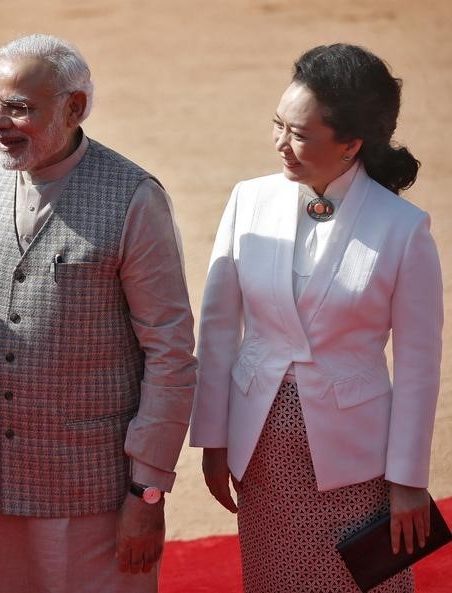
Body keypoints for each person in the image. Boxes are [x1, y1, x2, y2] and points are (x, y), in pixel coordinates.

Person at [0, 33, 197, 592]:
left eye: (20, 108)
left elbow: (170, 354)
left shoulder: (134, 197)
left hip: (91, 496)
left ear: (74, 107)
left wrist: (147, 492)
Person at [189, 43, 443, 592]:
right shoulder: (248, 200)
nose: (281, 144)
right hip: (260, 449)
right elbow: (217, 331)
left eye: (300, 134)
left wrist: (408, 480)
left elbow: (419, 365)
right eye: (278, 125)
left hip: (358, 461)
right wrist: (213, 438)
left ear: (351, 144)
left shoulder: (403, 229)